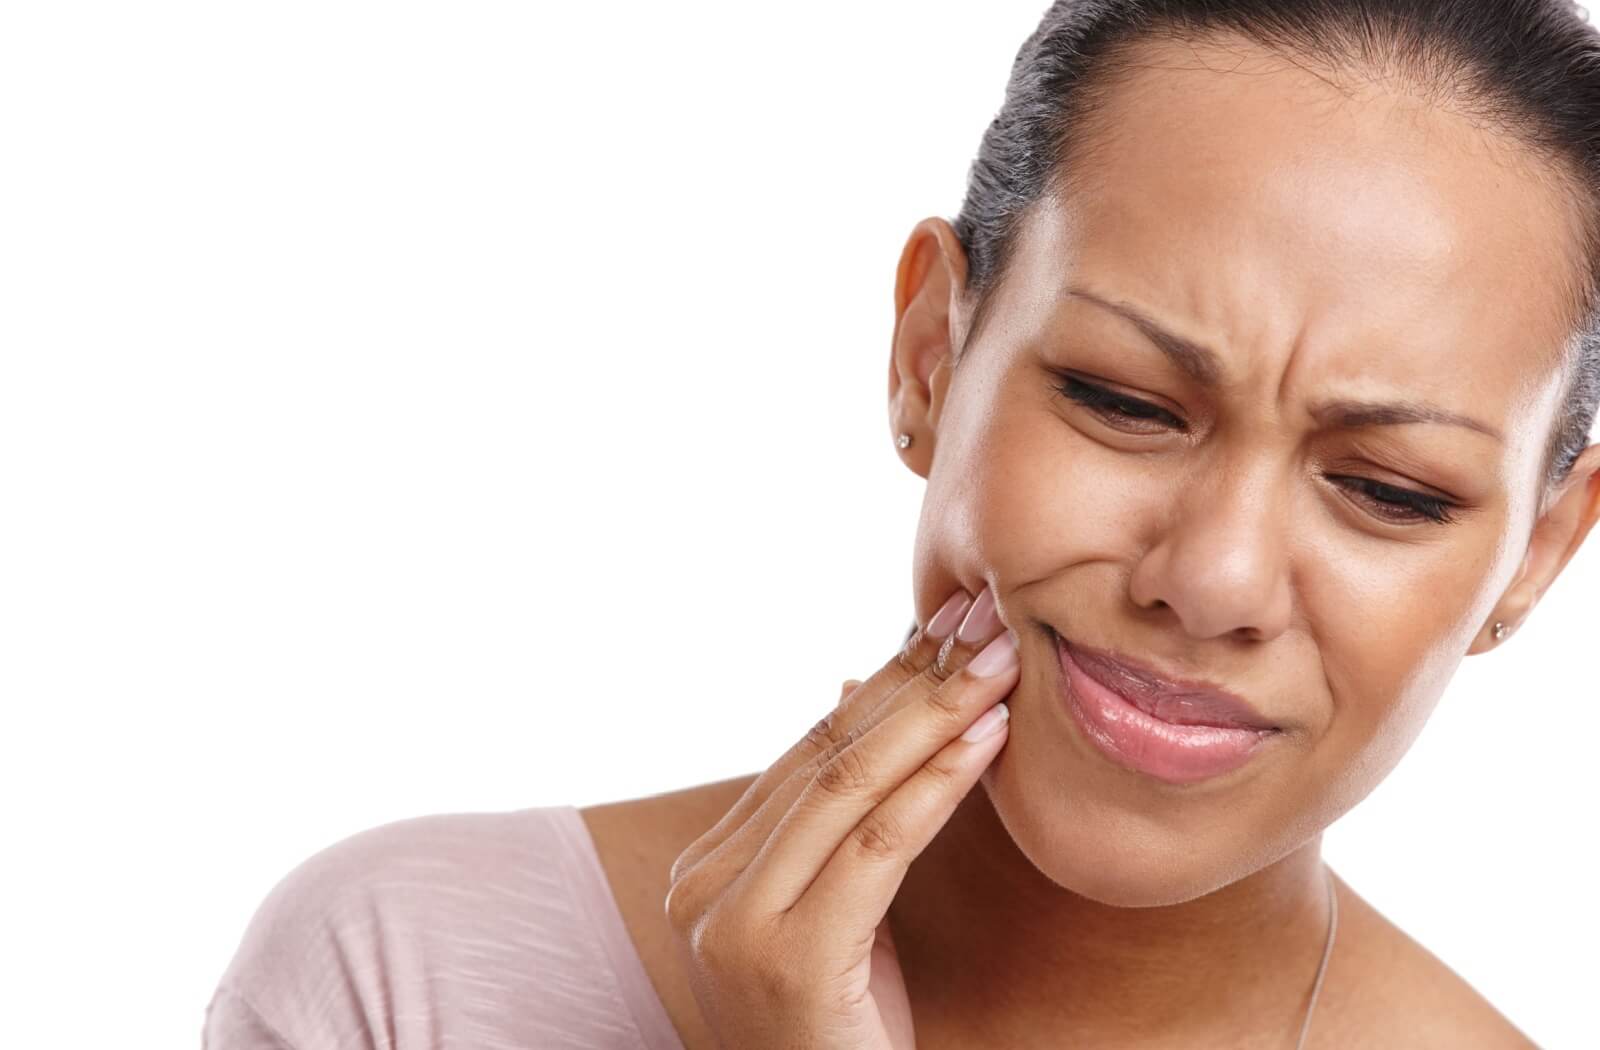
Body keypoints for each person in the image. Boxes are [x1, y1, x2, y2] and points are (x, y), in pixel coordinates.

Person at [204, 1, 1600, 1047]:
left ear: (1536, 554)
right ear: (932, 355)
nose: (1212, 575)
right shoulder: (405, 975)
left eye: (1388, 488)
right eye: (1122, 400)